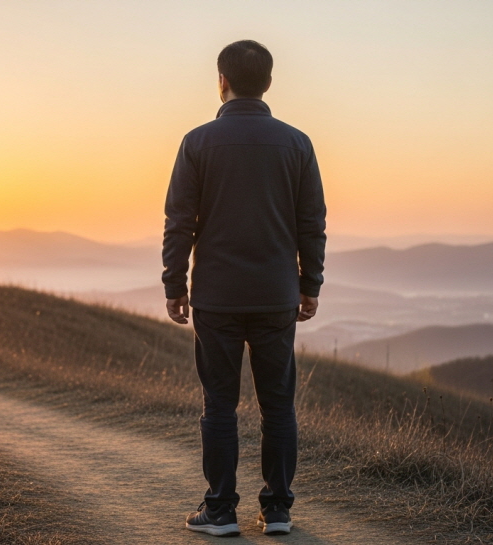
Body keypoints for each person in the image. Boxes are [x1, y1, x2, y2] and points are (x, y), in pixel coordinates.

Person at [162, 39, 326, 537]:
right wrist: (310, 284)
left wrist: (175, 284)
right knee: (278, 405)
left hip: (217, 297)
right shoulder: (297, 143)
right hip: (277, 294)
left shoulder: (197, 142)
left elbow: (179, 222)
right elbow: (311, 223)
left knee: (219, 405)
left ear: (222, 81)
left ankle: (219, 511)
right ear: (269, 82)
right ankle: (277, 510)